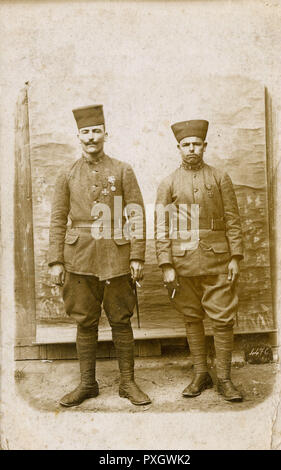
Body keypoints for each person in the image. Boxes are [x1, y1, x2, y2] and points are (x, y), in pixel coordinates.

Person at [48, 104, 151, 407]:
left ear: (106, 133)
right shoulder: (66, 174)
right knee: (85, 321)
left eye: (96, 131)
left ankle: (128, 383)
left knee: (121, 319)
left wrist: (137, 256)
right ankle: (87, 384)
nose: (91, 137)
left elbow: (136, 214)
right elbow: (57, 218)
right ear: (77, 136)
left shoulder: (122, 169)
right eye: (85, 132)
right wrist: (56, 260)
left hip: (116, 256)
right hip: (78, 257)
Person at [155, 119, 244, 402]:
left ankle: (225, 379)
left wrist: (235, 256)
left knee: (222, 319)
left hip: (218, 259)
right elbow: (161, 227)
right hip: (182, 263)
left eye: (196, 144)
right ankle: (200, 373)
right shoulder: (168, 183)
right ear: (178, 148)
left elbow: (233, 220)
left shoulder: (220, 178)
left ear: (204, 146)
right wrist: (166, 264)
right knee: (192, 318)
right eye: (186, 145)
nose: (191, 149)